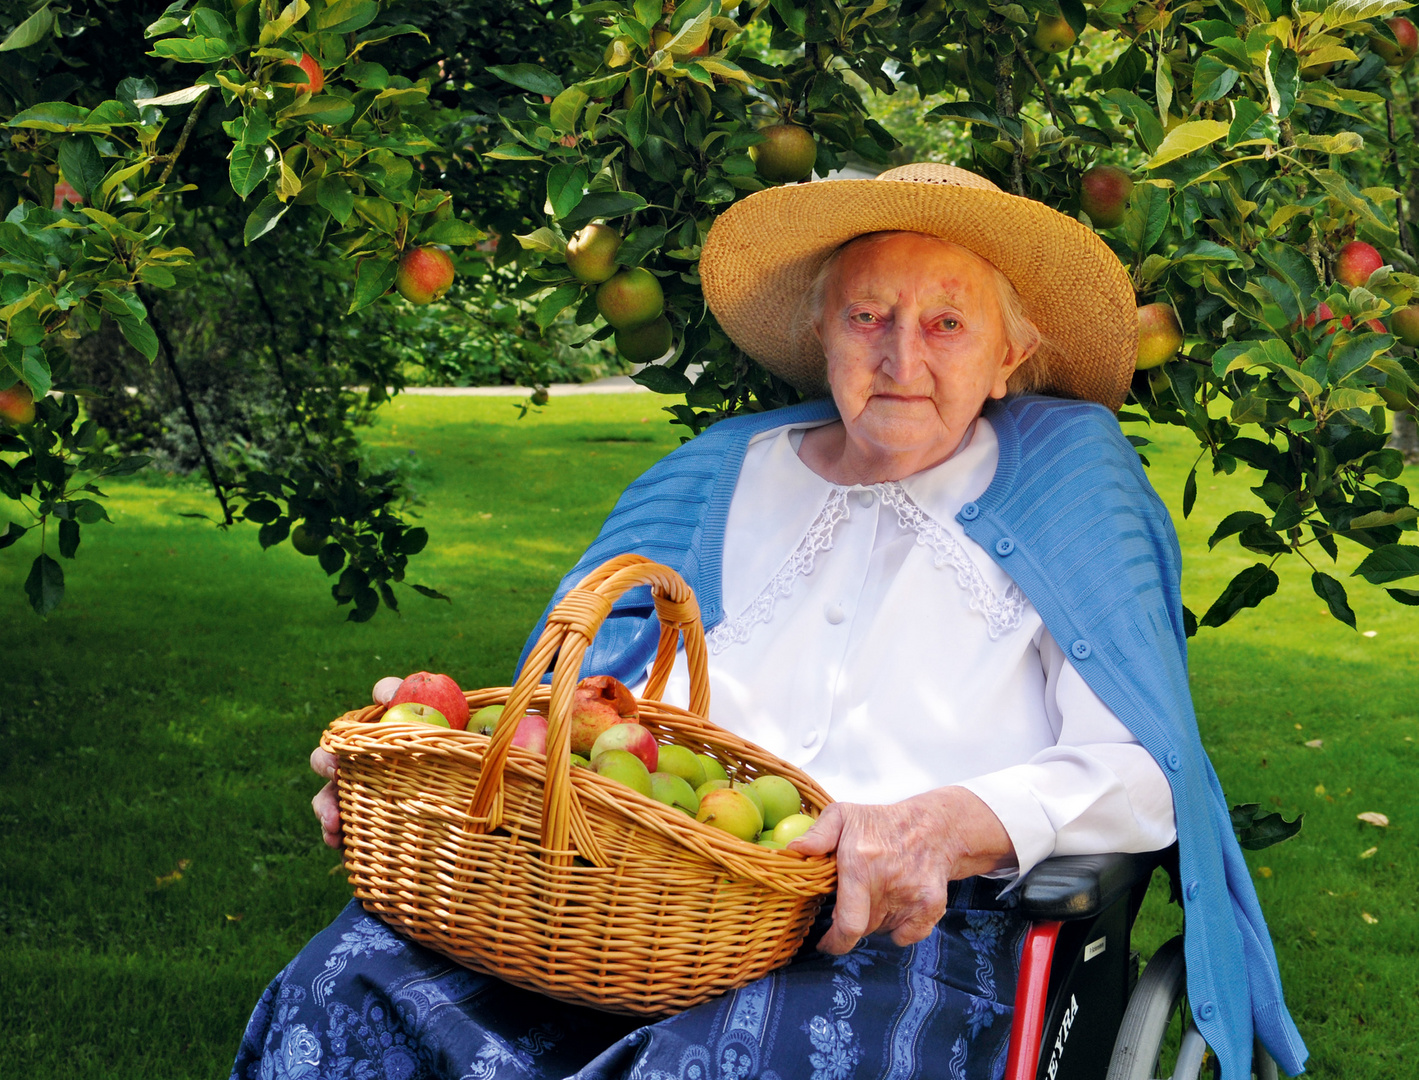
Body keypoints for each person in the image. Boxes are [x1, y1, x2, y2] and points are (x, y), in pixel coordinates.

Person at [231, 164, 1306, 1080]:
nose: (900, 358)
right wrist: (443, 769)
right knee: (347, 985)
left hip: (905, 937)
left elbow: (1143, 770)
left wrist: (930, 825)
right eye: (866, 318)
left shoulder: (1071, 480)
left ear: (1010, 356)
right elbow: (592, 712)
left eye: (945, 322)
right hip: (630, 906)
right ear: (821, 334)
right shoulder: (714, 476)